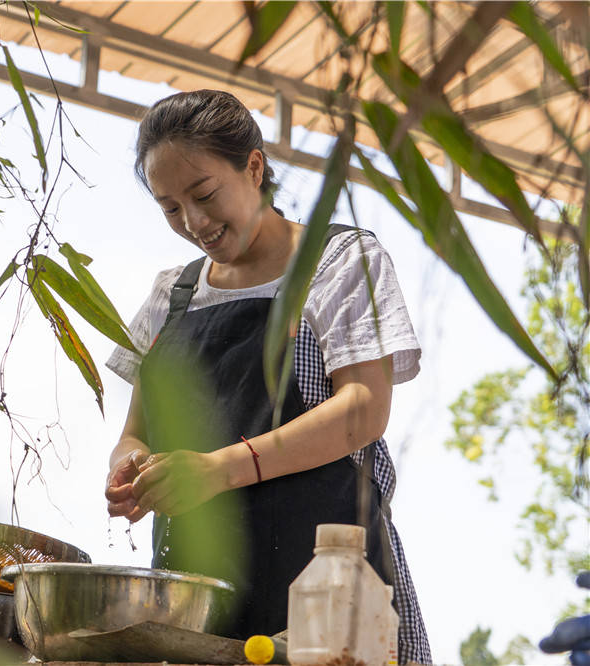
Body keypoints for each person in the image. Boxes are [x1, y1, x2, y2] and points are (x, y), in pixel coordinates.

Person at [104, 89, 432, 665]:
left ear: (254, 167)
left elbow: (362, 409)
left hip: (325, 593)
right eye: (171, 208)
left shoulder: (338, 262)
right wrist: (132, 468)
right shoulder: (171, 295)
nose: (194, 222)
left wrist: (217, 469)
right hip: (196, 605)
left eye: (204, 194)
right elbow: (136, 432)